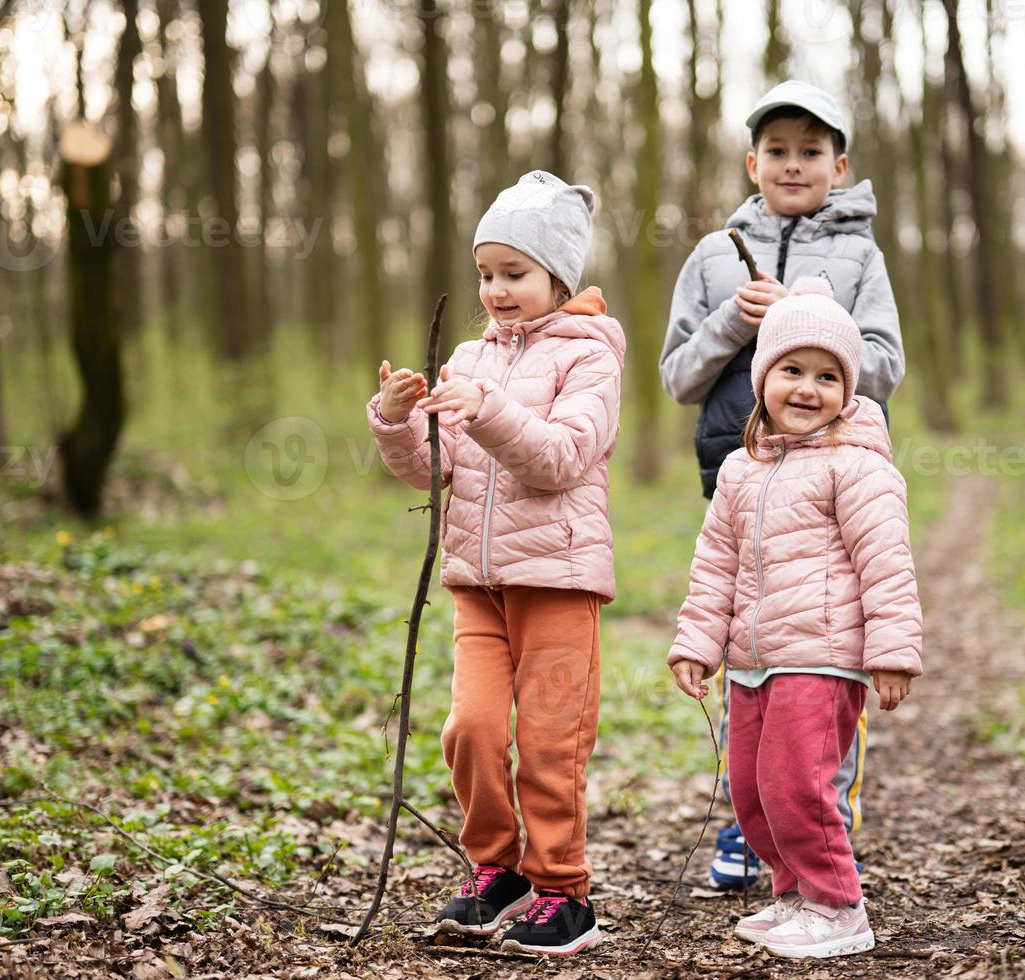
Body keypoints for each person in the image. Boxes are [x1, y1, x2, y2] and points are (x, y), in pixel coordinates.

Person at [367, 171, 624, 957]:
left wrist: (487, 409)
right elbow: (433, 471)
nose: (497, 290)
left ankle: (563, 890)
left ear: (558, 276)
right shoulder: (472, 356)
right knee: (470, 730)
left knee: (551, 741)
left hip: (556, 582)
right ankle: (497, 870)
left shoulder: (590, 357)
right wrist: (398, 420)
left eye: (516, 273)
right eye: (486, 274)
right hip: (478, 586)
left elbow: (559, 458)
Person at [659, 79, 906, 888]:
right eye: (777, 151)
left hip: (835, 475)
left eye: (810, 151)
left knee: (823, 641)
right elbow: (678, 376)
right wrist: (736, 319)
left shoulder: (862, 256)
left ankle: (825, 818)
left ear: (839, 164)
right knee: (750, 643)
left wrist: (807, 322)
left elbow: (886, 367)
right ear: (751, 162)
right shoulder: (710, 255)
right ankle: (750, 821)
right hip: (740, 468)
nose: (792, 164)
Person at [668, 277, 923, 959]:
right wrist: (698, 643)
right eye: (791, 371)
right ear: (761, 380)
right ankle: (794, 896)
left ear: (849, 389)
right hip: (753, 663)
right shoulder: (741, 470)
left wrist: (892, 652)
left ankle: (839, 906)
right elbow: (713, 565)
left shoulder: (857, 466)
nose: (807, 389)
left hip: (822, 656)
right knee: (751, 789)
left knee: (794, 784)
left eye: (827, 376)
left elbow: (887, 563)